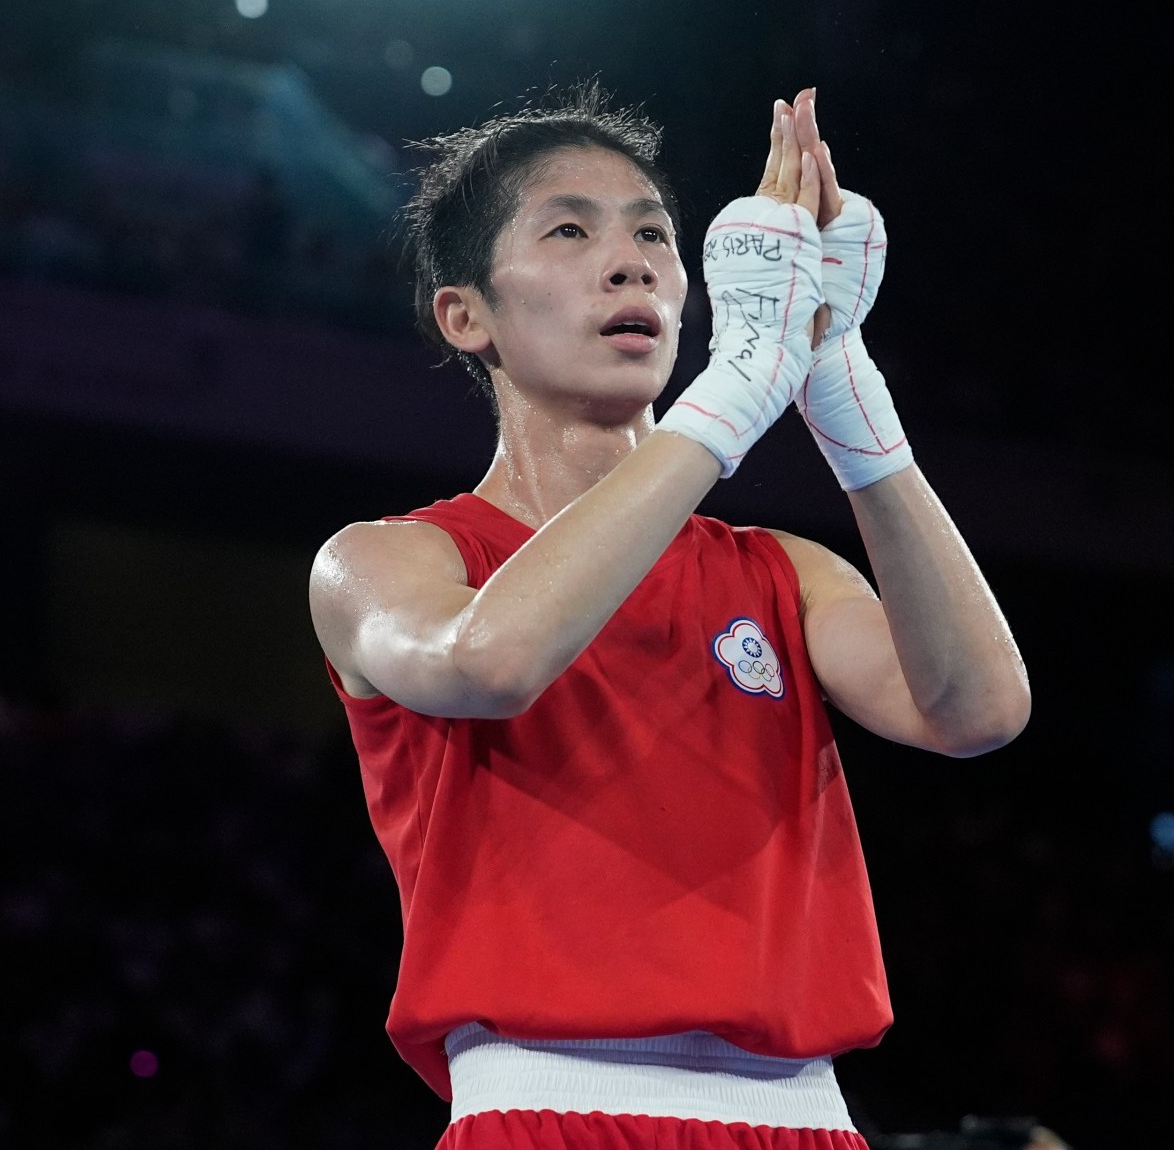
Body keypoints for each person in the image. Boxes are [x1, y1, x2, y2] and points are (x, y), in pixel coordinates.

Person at [308, 84, 1031, 1149]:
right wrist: (737, 390)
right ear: (467, 317)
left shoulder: (784, 572)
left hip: (806, 1122)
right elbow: (491, 662)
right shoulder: (387, 561)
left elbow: (977, 711)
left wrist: (842, 387)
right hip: (546, 1111)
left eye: (653, 233)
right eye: (569, 231)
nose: (631, 262)